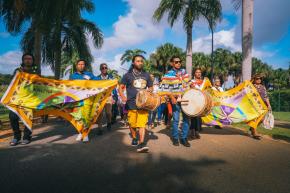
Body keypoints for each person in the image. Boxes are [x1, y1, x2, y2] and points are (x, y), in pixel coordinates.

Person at [118, 55, 153, 153]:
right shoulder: (127, 75)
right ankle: (134, 137)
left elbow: (151, 87)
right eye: (138, 61)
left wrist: (148, 91)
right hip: (131, 103)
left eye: (141, 61)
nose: (140, 63)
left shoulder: (146, 75)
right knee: (132, 124)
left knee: (142, 124)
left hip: (143, 104)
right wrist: (123, 97)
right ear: (133, 63)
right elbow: (120, 87)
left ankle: (141, 143)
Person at [9, 53, 39, 146]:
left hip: (30, 99)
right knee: (13, 117)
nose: (28, 60)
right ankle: (16, 137)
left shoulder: (36, 71)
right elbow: (13, 82)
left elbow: (39, 84)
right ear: (23, 60)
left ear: (32, 61)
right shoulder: (18, 70)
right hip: (17, 98)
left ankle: (26, 137)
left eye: (30, 59)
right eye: (26, 58)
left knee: (28, 118)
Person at [165, 56, 191, 147]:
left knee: (187, 119)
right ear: (172, 63)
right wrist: (172, 97)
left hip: (186, 99)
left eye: (179, 61)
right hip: (175, 100)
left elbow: (188, 84)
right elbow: (166, 87)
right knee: (176, 120)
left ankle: (184, 138)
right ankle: (175, 138)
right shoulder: (168, 74)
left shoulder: (184, 72)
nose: (178, 63)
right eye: (176, 62)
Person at [69, 59, 97, 142]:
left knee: (86, 116)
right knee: (78, 117)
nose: (81, 66)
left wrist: (110, 81)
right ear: (76, 66)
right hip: (77, 99)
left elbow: (99, 81)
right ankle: (80, 132)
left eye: (83, 64)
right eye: (79, 64)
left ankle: (86, 134)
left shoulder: (89, 74)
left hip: (87, 99)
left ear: (85, 66)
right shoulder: (72, 76)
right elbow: (69, 87)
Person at [95, 63, 117, 135]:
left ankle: (109, 123)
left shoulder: (111, 77)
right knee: (99, 114)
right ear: (100, 69)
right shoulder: (97, 78)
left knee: (108, 113)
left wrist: (114, 98)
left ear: (107, 68)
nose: (104, 69)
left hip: (109, 97)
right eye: (102, 68)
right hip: (100, 98)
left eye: (105, 68)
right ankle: (100, 129)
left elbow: (114, 88)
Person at [249, 73, 272, 140]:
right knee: (255, 118)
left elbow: (266, 97)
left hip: (262, 106)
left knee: (261, 119)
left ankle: (252, 128)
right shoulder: (251, 86)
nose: (259, 80)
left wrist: (269, 105)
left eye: (260, 79)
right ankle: (255, 133)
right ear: (254, 79)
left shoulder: (263, 87)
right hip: (253, 105)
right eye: (257, 79)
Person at [189, 68, 205, 139]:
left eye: (200, 72)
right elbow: (190, 89)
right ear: (194, 74)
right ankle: (192, 131)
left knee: (199, 117)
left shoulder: (203, 82)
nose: (198, 73)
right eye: (197, 72)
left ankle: (197, 131)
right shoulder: (191, 81)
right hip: (193, 101)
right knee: (193, 117)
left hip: (202, 101)